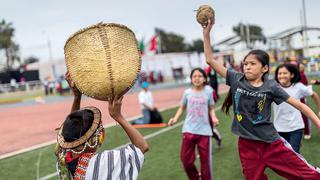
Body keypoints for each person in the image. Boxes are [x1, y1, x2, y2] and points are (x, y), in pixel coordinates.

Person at [202, 19, 320, 179]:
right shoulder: (237, 79)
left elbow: (300, 106)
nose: (247, 66)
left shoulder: (272, 87)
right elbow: (210, 60)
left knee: (310, 176)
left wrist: (318, 123)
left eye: (252, 64)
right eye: (246, 64)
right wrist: (206, 33)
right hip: (246, 146)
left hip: (271, 144)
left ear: (264, 68)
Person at [55, 72, 149, 180]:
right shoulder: (104, 163)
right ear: (94, 140)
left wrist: (77, 96)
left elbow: (72, 129)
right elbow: (142, 147)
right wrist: (118, 116)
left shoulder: (62, 160)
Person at [168, 68, 219, 180]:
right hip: (188, 130)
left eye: (200, 76)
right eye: (194, 76)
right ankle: (195, 177)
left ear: (205, 78)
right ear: (191, 79)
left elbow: (211, 108)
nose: (197, 78)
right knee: (186, 161)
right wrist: (175, 118)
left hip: (204, 131)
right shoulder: (187, 93)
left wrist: (214, 117)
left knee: (205, 163)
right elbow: (182, 107)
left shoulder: (209, 91)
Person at [273, 63, 320, 153]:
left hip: (296, 127)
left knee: (294, 154)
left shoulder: (298, 87)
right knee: (282, 155)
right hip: (279, 128)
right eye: (279, 73)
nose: (282, 76)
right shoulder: (274, 88)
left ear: (292, 75)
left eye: (285, 73)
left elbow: (314, 94)